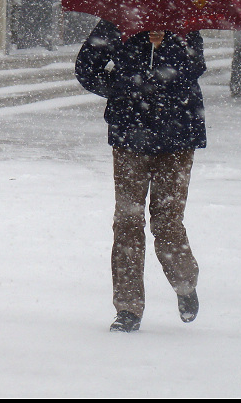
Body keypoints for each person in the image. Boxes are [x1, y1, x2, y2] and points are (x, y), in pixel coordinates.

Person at [75, 20, 206, 332]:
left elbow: (193, 68)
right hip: (130, 136)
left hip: (178, 137)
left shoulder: (183, 25)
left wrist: (162, 52)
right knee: (127, 221)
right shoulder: (117, 22)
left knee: (167, 222)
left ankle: (185, 283)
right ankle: (128, 308)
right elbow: (85, 67)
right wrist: (122, 87)